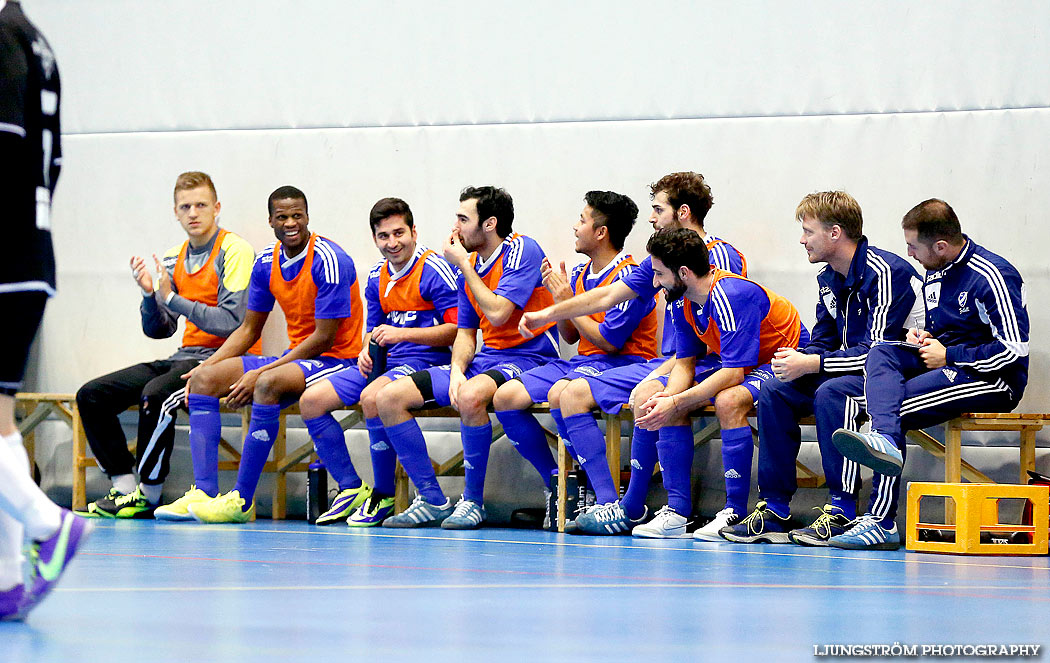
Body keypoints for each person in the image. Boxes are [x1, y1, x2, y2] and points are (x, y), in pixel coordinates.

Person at [519, 173, 746, 535]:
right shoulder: (661, 256)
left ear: (683, 212)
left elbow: (719, 335)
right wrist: (550, 312)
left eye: (658, 209)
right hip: (677, 357)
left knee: (647, 395)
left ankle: (632, 507)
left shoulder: (718, 256)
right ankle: (622, 502)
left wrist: (672, 376)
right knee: (600, 393)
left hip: (711, 359)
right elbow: (609, 295)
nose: (651, 218)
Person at [720, 192, 922, 546]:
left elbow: (879, 354)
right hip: (848, 367)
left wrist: (813, 363)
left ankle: (842, 509)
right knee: (775, 389)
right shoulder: (828, 278)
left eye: (807, 231)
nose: (801, 239)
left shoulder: (887, 272)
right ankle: (775, 509)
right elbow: (825, 337)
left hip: (897, 372)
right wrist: (797, 359)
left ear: (835, 233)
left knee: (832, 393)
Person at [155, 186, 363, 524]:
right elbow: (248, 330)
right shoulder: (267, 261)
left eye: (297, 215)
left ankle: (241, 500)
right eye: (282, 217)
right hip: (297, 358)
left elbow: (324, 339)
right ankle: (204, 490)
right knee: (206, 380)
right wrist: (205, 365)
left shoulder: (330, 259)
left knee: (265, 383)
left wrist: (259, 373)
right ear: (271, 221)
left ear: (308, 216)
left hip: (338, 361)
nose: (291, 222)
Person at [829, 199, 1029, 550]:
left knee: (896, 410)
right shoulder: (935, 269)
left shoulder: (992, 276)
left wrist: (949, 353)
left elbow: (1014, 350)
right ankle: (884, 440)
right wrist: (926, 339)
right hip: (947, 362)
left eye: (913, 247)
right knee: (882, 350)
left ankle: (881, 522)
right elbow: (951, 332)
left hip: (994, 380)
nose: (908, 253)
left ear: (940, 246)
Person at [75, 172, 257, 518]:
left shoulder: (235, 249)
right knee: (91, 394)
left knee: (156, 395)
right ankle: (124, 488)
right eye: (185, 206)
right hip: (183, 357)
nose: (193, 213)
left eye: (201, 205)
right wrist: (149, 295)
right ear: (175, 212)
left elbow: (231, 321)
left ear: (216, 208)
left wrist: (171, 297)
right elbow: (160, 330)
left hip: (226, 360)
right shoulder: (174, 258)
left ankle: (149, 493)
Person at [376, 186, 559, 529]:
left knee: (472, 396)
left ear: (489, 224)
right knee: (388, 398)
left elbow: (501, 312)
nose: (455, 228)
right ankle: (431, 499)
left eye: (463, 219)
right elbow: (465, 332)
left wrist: (462, 263)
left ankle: (474, 501)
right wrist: (458, 369)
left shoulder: (522, 249)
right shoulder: (469, 264)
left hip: (530, 357)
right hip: (486, 359)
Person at [1, 0, 93, 621]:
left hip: (3, 252)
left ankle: (45, 521)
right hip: (31, 254)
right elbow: (50, 163)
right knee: (0, 420)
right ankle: (8, 580)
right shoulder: (36, 40)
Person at [491, 191, 657, 525]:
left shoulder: (630, 275)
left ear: (601, 232)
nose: (575, 227)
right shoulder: (581, 272)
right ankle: (559, 482)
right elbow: (570, 336)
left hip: (624, 363)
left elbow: (609, 343)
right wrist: (562, 298)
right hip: (583, 363)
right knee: (506, 397)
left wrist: (568, 300)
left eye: (582, 220)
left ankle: (605, 499)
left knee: (561, 394)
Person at [630, 228, 807, 539]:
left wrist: (677, 401)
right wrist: (668, 400)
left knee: (728, 400)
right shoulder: (680, 300)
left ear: (683, 273)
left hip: (782, 360)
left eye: (659, 273)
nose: (655, 282)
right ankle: (677, 511)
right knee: (661, 396)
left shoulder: (730, 294)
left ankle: (734, 509)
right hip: (742, 363)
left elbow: (733, 374)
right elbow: (685, 363)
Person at [298, 198, 458, 526]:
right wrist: (365, 350)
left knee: (374, 398)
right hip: (386, 362)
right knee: (311, 401)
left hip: (426, 362)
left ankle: (391, 495)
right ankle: (350, 488)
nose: (392, 242)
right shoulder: (376, 276)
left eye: (399, 233)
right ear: (375, 239)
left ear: (414, 231)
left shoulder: (434, 269)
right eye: (384, 236)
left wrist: (401, 335)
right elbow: (373, 329)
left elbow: (455, 331)